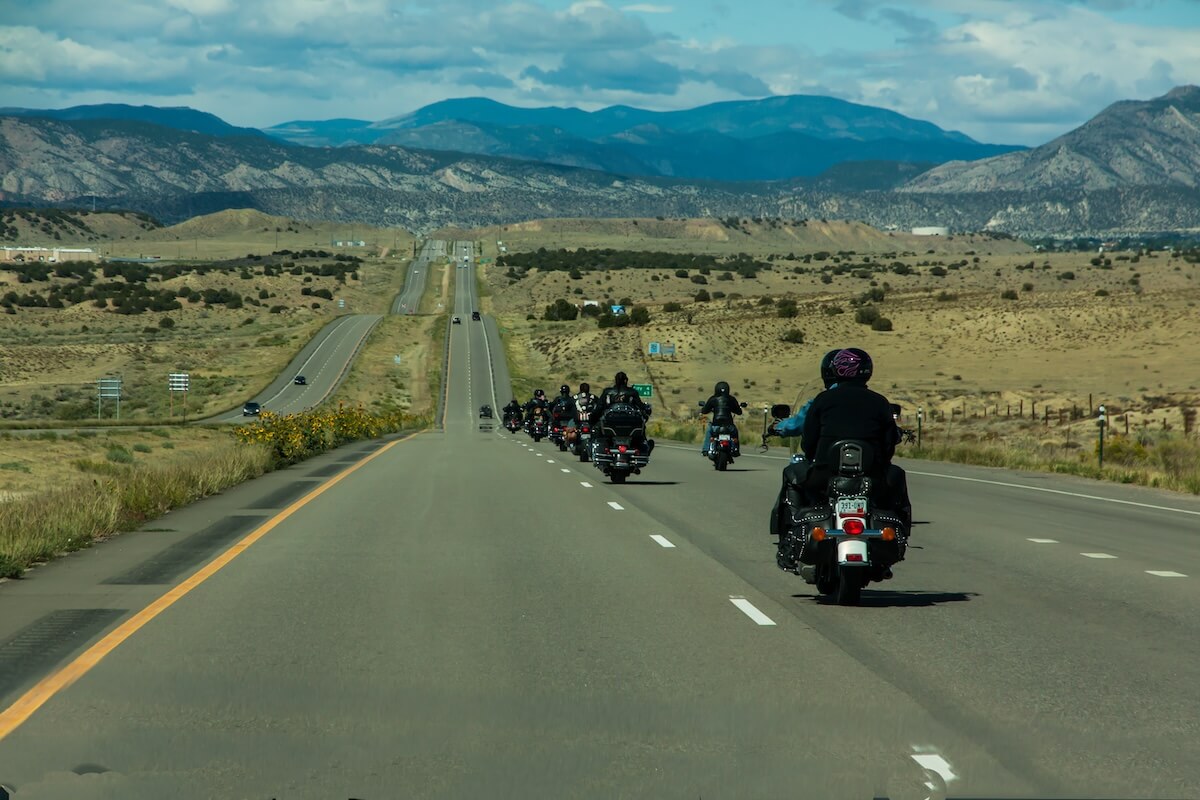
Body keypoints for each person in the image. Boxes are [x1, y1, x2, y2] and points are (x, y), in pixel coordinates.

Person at [594, 371, 654, 454]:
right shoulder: (632, 392)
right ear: (626, 380)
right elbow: (641, 406)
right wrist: (646, 410)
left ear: (615, 380)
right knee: (641, 432)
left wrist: (593, 416)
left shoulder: (608, 392)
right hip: (630, 423)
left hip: (610, 422)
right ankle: (644, 448)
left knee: (597, 431)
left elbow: (599, 407)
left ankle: (597, 447)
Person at [699, 380, 744, 456]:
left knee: (709, 430)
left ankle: (705, 449)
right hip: (729, 426)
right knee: (735, 432)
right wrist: (732, 409)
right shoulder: (731, 399)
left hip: (716, 426)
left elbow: (705, 411)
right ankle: (735, 449)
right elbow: (739, 412)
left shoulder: (713, 399)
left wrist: (704, 408)